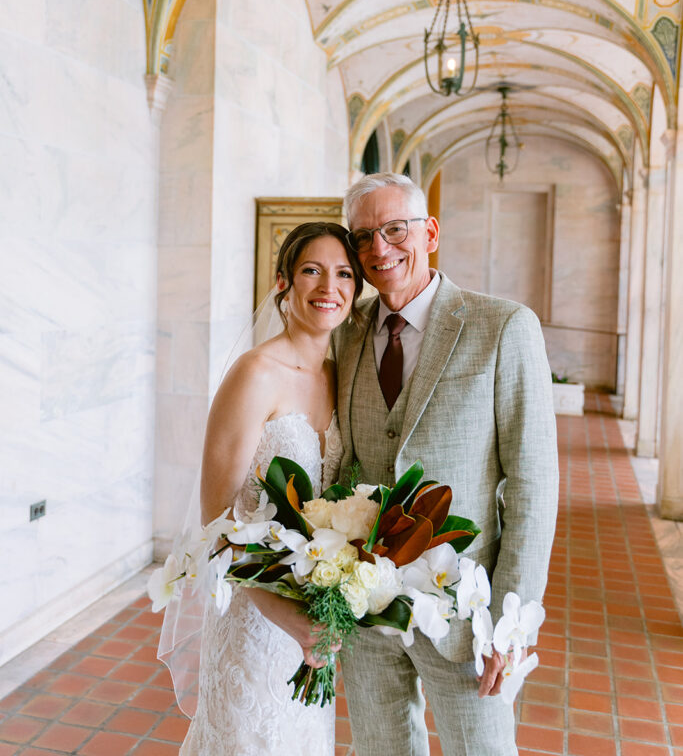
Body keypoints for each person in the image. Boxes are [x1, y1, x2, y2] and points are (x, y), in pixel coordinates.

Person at [334, 172, 559, 756]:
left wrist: (509, 628)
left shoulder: (503, 326)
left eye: (394, 229)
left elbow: (534, 485)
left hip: (467, 614)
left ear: (429, 233)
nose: (379, 249)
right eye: (362, 237)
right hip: (365, 607)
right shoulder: (349, 331)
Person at [174, 221, 364, 756]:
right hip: (254, 618)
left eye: (344, 273)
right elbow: (215, 525)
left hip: (315, 618)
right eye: (312, 270)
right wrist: (284, 615)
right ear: (283, 280)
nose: (330, 287)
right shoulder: (254, 374)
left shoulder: (340, 376)